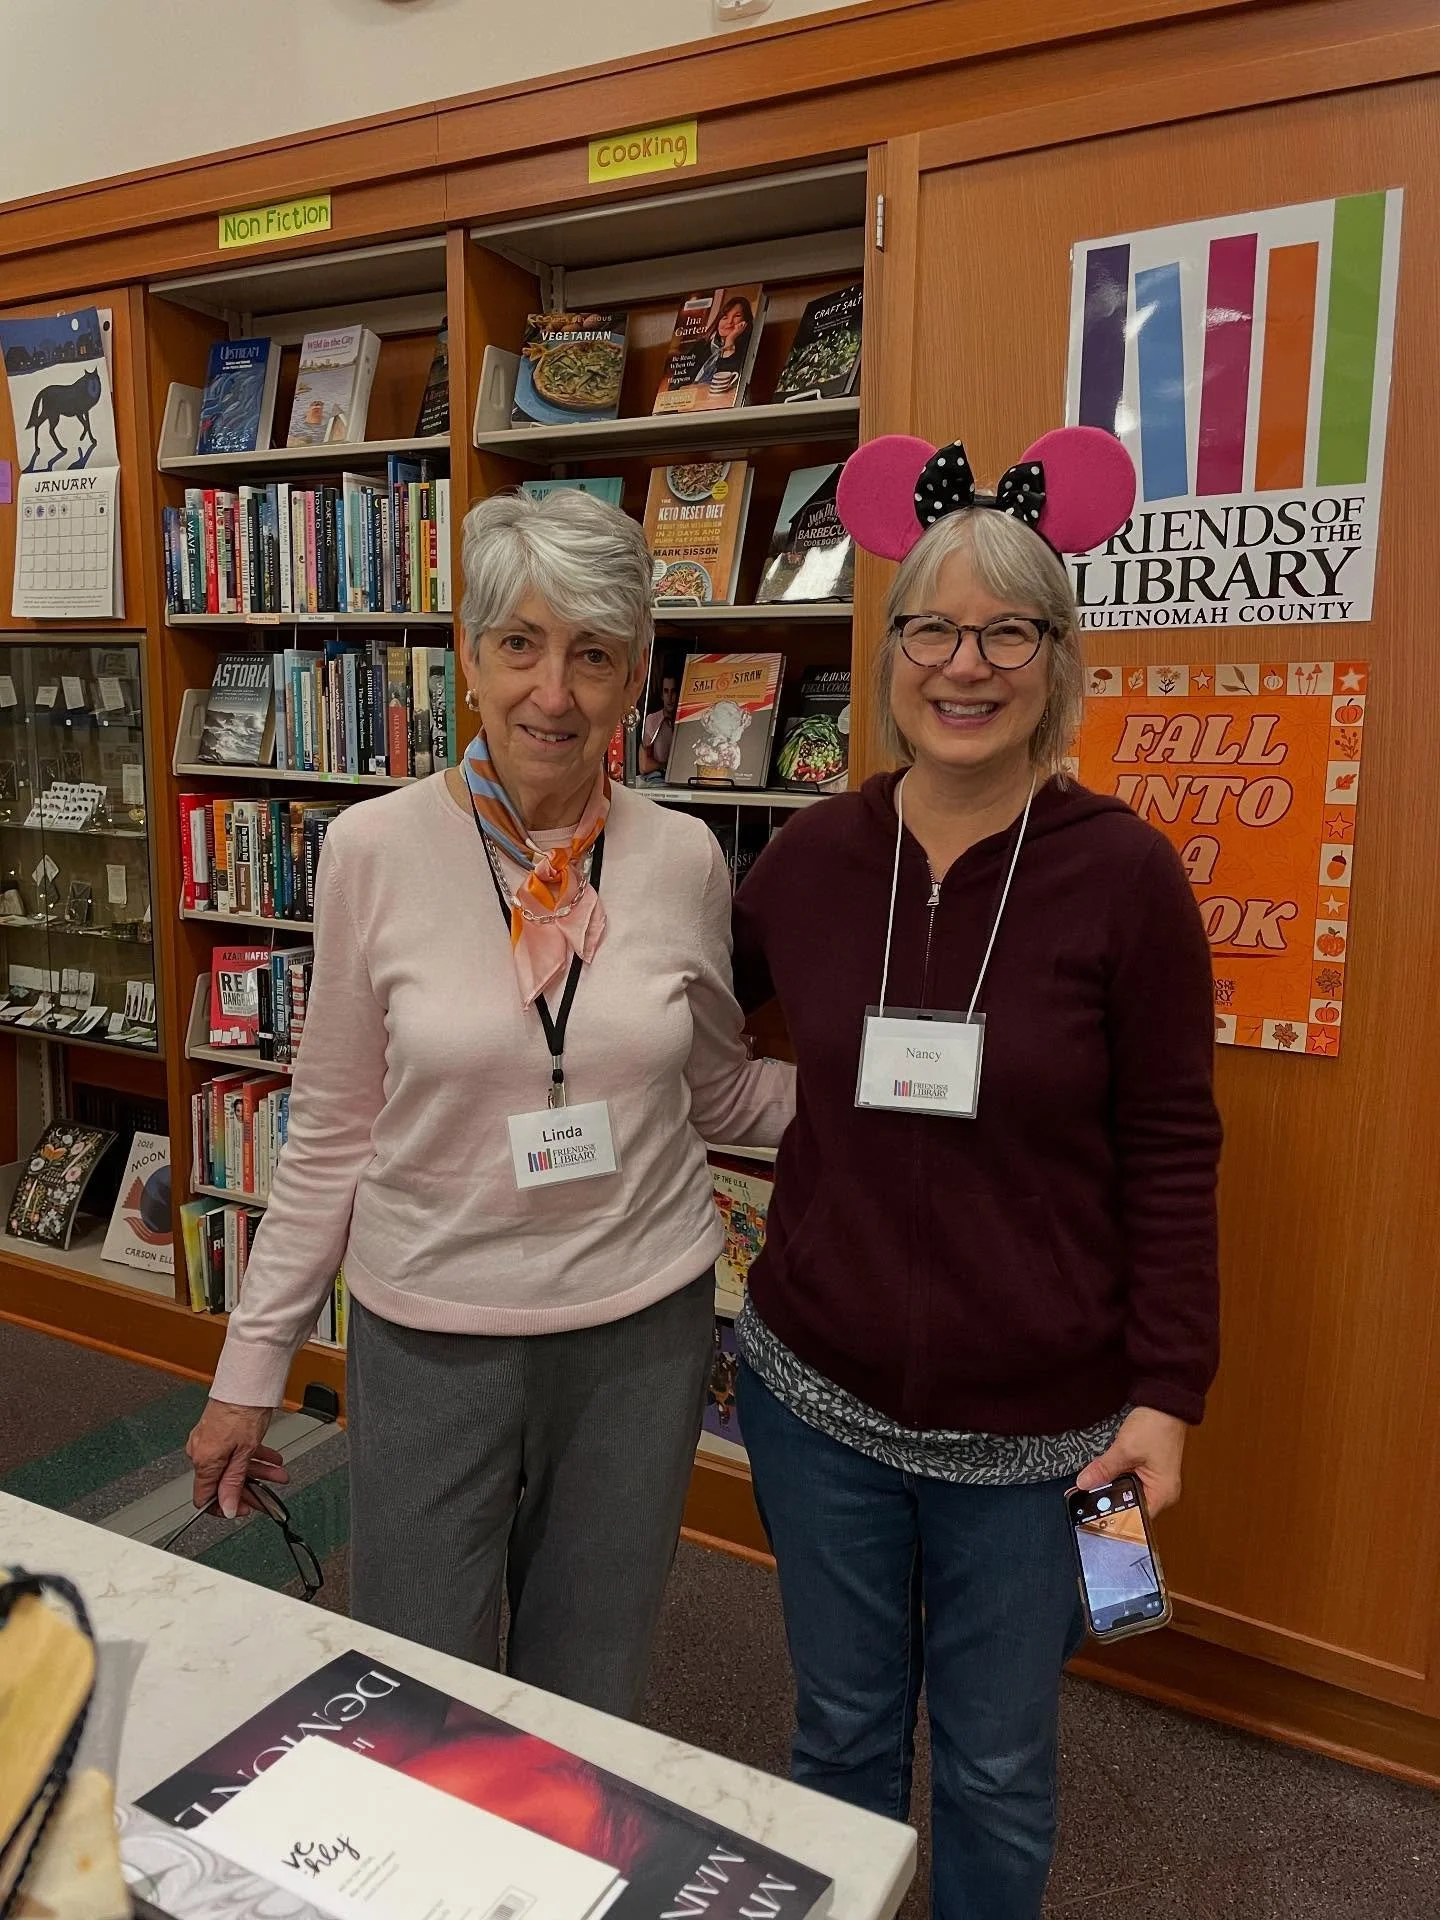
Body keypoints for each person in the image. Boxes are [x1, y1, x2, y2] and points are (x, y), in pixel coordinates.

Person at [186, 487, 793, 1716]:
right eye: (519, 644)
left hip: (640, 1332)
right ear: (467, 659)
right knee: (418, 1689)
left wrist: (920, 1107)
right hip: (432, 1330)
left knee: (589, 1689)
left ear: (636, 678)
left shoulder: (683, 857)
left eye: (593, 655)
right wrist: (249, 1369)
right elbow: (331, 1132)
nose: (552, 693)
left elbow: (720, 1087)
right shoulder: (372, 851)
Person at [730, 429, 1221, 1919]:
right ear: (889, 651)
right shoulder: (809, 861)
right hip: (817, 1405)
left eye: (1010, 630)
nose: (966, 663)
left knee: (999, 1769)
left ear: (1056, 660)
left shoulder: (1125, 877)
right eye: (933, 627)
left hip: (1043, 1442)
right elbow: (669, 1024)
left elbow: (1173, 1148)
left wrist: (1167, 1391)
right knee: (840, 1735)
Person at [697, 294, 755, 392]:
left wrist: (730, 340)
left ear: (745, 322)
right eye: (725, 317)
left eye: (737, 316)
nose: (730, 322)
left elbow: (725, 381)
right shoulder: (702, 345)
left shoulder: (747, 349)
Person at [638, 665, 679, 779]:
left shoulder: (684, 720)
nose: (669, 697)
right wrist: (664, 766)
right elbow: (643, 766)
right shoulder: (652, 720)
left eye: (673, 691)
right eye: (666, 691)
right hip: (659, 778)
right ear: (661, 695)